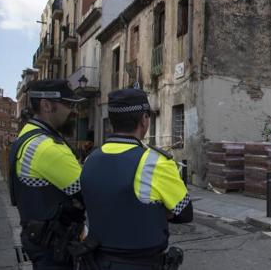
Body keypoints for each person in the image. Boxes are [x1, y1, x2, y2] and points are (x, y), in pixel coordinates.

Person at [80, 88, 193, 269]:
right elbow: (184, 213)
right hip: (142, 263)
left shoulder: (89, 160)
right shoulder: (155, 162)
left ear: (111, 123)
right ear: (144, 120)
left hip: (97, 261)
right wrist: (151, 210)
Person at [8, 79, 86, 269]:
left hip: (40, 239)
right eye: (68, 104)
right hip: (53, 246)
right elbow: (88, 192)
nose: (74, 111)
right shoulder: (46, 147)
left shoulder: (27, 135)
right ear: (46, 105)